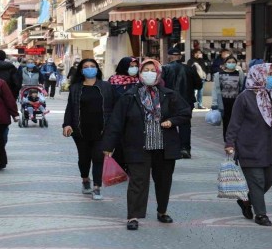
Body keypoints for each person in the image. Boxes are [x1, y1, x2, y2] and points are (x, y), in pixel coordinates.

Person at [102, 59, 191, 230]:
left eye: (153, 69)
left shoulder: (169, 94)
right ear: (141, 74)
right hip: (137, 146)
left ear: (158, 73)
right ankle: (133, 216)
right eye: (146, 70)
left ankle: (162, 211)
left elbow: (185, 112)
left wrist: (172, 121)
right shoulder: (129, 96)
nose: (149, 73)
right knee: (138, 181)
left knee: (164, 181)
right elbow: (116, 122)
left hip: (164, 147)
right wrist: (108, 146)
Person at [224, 63, 272, 227]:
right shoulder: (244, 97)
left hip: (271, 146)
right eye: (270, 74)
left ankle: (247, 201)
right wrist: (230, 143)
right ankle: (261, 215)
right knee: (257, 181)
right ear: (259, 75)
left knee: (270, 178)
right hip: (249, 146)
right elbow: (234, 123)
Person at [62, 59, 115, 200]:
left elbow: (114, 107)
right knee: (84, 158)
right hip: (80, 130)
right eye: (86, 67)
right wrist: (66, 124)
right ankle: (85, 180)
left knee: (98, 158)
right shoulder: (75, 88)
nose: (89, 69)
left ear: (97, 69)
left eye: (92, 66)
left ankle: (97, 187)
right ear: (81, 70)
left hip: (102, 129)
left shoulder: (106, 86)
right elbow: (70, 108)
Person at [162, 48, 202, 159]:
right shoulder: (190, 69)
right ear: (180, 57)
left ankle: (171, 149)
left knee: (168, 124)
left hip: (169, 101)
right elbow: (199, 85)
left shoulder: (164, 69)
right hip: (186, 101)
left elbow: (160, 85)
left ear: (169, 57)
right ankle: (185, 148)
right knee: (185, 125)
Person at [211, 55, 245, 141]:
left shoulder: (239, 74)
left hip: (236, 101)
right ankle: (227, 139)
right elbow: (215, 89)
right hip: (224, 101)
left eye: (233, 62)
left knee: (236, 120)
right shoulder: (218, 75)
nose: (231, 64)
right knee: (226, 121)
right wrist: (214, 103)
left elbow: (242, 86)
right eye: (229, 62)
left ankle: (235, 137)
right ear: (225, 63)